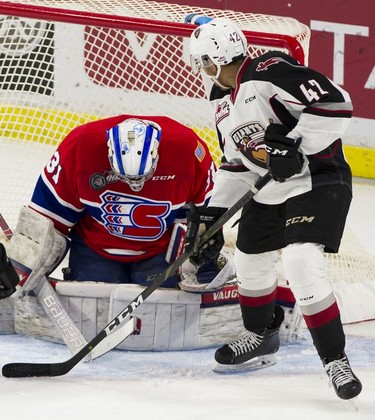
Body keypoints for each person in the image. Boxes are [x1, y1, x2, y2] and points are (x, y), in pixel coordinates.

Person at [186, 16, 362, 400]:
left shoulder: (270, 69)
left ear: (215, 59)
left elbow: (337, 102)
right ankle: (261, 334)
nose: (201, 70)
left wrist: (294, 144)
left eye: (202, 61)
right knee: (249, 260)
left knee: (300, 262)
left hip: (317, 180)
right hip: (268, 191)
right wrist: (214, 217)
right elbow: (235, 166)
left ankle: (334, 359)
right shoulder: (221, 101)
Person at [10, 115, 216, 289]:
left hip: (160, 252)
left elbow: (203, 223)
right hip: (95, 249)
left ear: (157, 154)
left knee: (164, 310)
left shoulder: (188, 151)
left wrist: (198, 258)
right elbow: (47, 220)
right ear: (108, 152)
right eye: (125, 178)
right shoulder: (80, 147)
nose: (135, 185)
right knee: (93, 307)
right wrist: (19, 273)